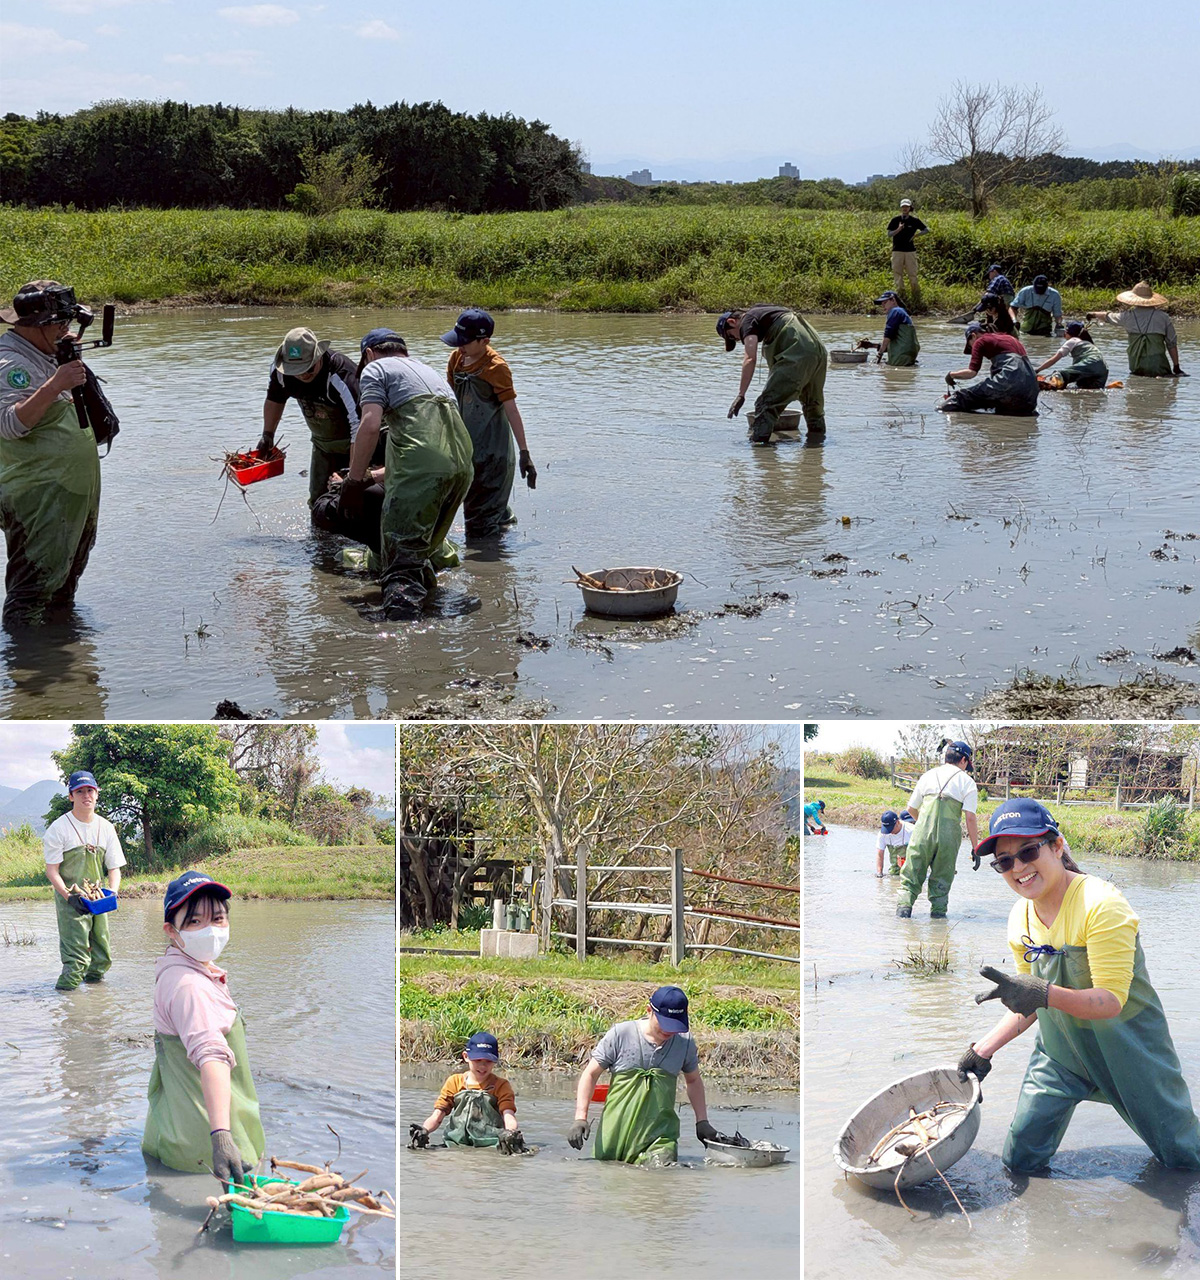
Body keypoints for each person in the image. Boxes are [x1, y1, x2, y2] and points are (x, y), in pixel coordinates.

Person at [957, 799, 1200, 1174]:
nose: (1018, 867)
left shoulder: (1101, 904)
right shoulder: (1018, 918)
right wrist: (982, 1052)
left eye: (1028, 851)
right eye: (1004, 861)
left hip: (1131, 1053)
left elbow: (1111, 1001)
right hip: (1061, 1054)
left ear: (1057, 846)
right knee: (1020, 1158)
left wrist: (1044, 993)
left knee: (1185, 1162)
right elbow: (1029, 1004)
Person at [341, 328, 474, 620]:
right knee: (419, 551)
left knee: (402, 558)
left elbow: (370, 425)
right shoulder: (428, 371)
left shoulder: (375, 369)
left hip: (424, 470)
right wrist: (372, 477)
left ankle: (405, 640)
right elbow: (432, 443)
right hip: (463, 467)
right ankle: (430, 607)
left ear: (368, 355)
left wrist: (353, 481)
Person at [142, 872, 266, 1185]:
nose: (210, 930)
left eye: (218, 919)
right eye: (195, 922)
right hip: (204, 1159)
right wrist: (223, 1139)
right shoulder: (190, 987)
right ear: (172, 930)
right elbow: (211, 1057)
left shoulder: (186, 970)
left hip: (179, 1136)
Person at [0, 280, 101, 627]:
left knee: (61, 587)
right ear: (38, 325)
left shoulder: (44, 353)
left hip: (68, 494)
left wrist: (64, 361)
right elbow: (10, 424)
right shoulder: (9, 363)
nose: (67, 330)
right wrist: (55, 384)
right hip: (39, 498)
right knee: (31, 593)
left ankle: (62, 658)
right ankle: (26, 668)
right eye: (60, 324)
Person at [569, 987, 716, 1165]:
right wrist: (580, 1118)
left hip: (660, 1135)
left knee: (662, 1171)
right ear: (649, 1011)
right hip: (615, 1132)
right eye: (664, 1024)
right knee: (609, 1178)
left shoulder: (684, 1043)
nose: (669, 1032)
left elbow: (693, 1081)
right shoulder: (621, 1035)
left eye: (674, 1026)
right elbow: (590, 1074)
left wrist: (702, 1121)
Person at [441, 308, 537, 540]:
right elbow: (451, 402)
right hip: (468, 449)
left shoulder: (496, 367)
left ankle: (490, 570)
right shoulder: (457, 359)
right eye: (457, 340)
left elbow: (511, 410)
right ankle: (504, 530)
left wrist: (525, 453)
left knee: (478, 529)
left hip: (493, 455)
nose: (459, 346)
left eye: (465, 341)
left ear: (484, 341)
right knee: (483, 510)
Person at [257, 326, 375, 511]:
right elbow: (275, 400)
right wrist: (267, 435)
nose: (303, 374)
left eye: (308, 368)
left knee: (354, 499)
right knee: (318, 503)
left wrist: (352, 476)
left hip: (359, 443)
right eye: (295, 369)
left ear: (318, 357)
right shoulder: (280, 373)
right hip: (323, 445)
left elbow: (359, 425)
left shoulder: (341, 374)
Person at [43, 770, 125, 991]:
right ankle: (64, 1005)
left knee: (102, 958)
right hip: (71, 900)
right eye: (79, 791)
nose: (85, 795)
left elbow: (114, 867)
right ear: (71, 796)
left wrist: (113, 892)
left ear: (97, 793)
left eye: (90, 790)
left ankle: (95, 1005)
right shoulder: (58, 829)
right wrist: (70, 897)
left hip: (97, 899)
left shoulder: (106, 827)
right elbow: (52, 871)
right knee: (76, 961)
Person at [718, 305, 828, 444]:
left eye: (733, 337)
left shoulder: (747, 320)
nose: (738, 340)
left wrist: (741, 394)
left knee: (765, 404)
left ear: (732, 322)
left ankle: (760, 452)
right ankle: (817, 447)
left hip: (797, 352)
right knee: (813, 405)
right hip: (817, 351)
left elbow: (750, 358)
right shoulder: (766, 313)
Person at [896, 740, 978, 919]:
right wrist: (975, 848)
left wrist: (924, 826)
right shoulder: (967, 782)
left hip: (922, 835)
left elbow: (910, 809)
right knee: (941, 881)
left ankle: (903, 918)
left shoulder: (928, 775)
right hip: (948, 839)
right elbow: (970, 818)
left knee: (911, 878)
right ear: (964, 760)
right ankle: (938, 927)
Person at [409, 1031, 524, 1153]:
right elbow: (437, 1116)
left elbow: (508, 1115)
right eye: (478, 1060)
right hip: (454, 1144)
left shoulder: (501, 1085)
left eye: (488, 1061)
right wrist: (424, 1130)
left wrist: (511, 1133)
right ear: (466, 1056)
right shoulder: (454, 1082)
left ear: (495, 1060)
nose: (483, 1066)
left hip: (491, 1144)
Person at [1087, 281, 1187, 378]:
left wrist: (1094, 314)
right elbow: (1172, 344)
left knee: (1137, 381)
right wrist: (1176, 367)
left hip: (1136, 365)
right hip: (1158, 366)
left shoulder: (1127, 316)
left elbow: (1108, 317)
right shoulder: (1163, 317)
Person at [940, 321, 1039, 416]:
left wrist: (951, 375)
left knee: (959, 399)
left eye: (970, 346)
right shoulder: (1010, 338)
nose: (972, 348)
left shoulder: (980, 341)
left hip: (1009, 380)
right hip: (1031, 389)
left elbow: (972, 372)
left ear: (973, 336)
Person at [1035, 321, 1109, 390]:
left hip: (1091, 363)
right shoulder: (1088, 343)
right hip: (1103, 368)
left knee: (1060, 374)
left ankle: (1049, 386)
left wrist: (1037, 370)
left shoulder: (1073, 340)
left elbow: (1053, 360)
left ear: (1068, 333)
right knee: (1082, 386)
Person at [859, 292, 920, 366]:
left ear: (893, 300)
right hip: (908, 355)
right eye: (882, 303)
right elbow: (896, 343)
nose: (883, 305)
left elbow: (888, 335)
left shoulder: (895, 311)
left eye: (885, 302)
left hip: (901, 355)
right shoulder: (902, 312)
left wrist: (879, 355)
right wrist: (871, 345)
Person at [886, 199, 928, 298]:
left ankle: (915, 294)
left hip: (910, 251)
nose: (905, 208)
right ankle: (901, 294)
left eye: (907, 207)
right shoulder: (895, 220)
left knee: (912, 273)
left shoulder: (915, 221)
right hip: (897, 250)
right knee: (897, 273)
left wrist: (916, 235)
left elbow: (926, 230)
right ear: (901, 208)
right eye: (903, 207)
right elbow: (889, 234)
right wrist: (898, 229)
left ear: (910, 208)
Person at [876, 809, 914, 877]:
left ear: (897, 822)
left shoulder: (911, 830)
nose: (889, 832)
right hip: (895, 869)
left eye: (891, 828)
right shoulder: (882, 834)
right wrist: (879, 873)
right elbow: (880, 854)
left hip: (912, 868)